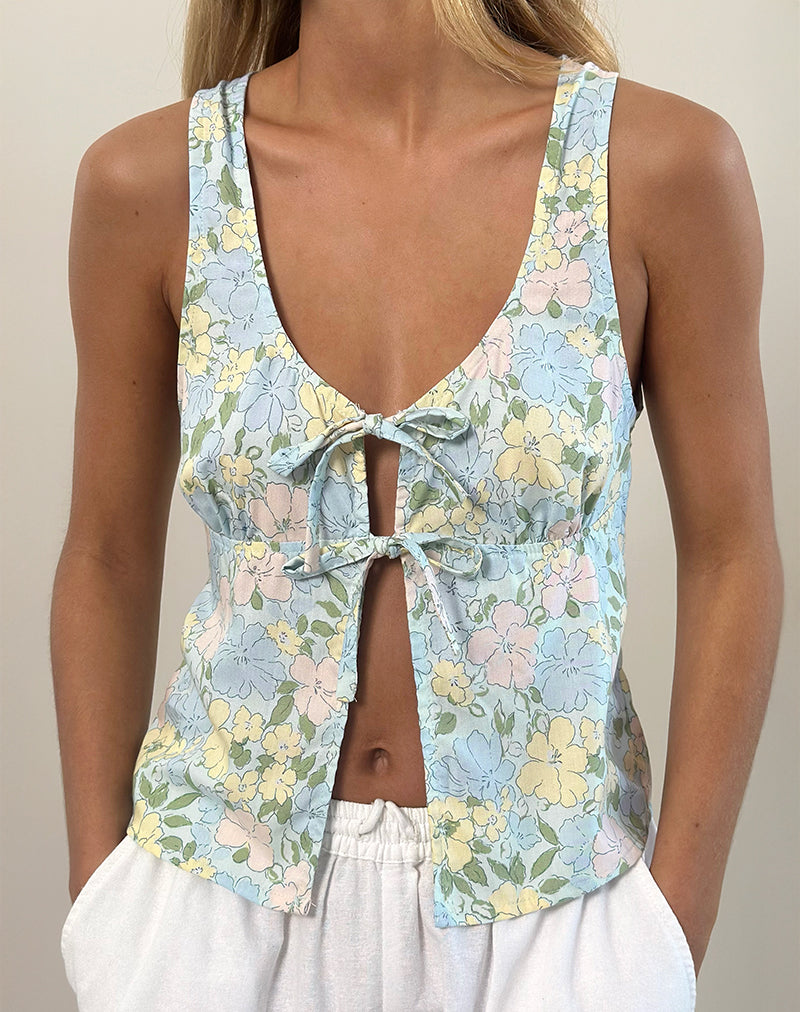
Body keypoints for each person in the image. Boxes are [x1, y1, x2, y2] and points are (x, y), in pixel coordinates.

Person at [51, 0, 782, 1009]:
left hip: (554, 903)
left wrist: (666, 927)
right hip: (210, 899)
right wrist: (105, 907)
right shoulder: (149, 184)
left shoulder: (657, 167)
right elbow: (104, 554)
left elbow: (733, 551)